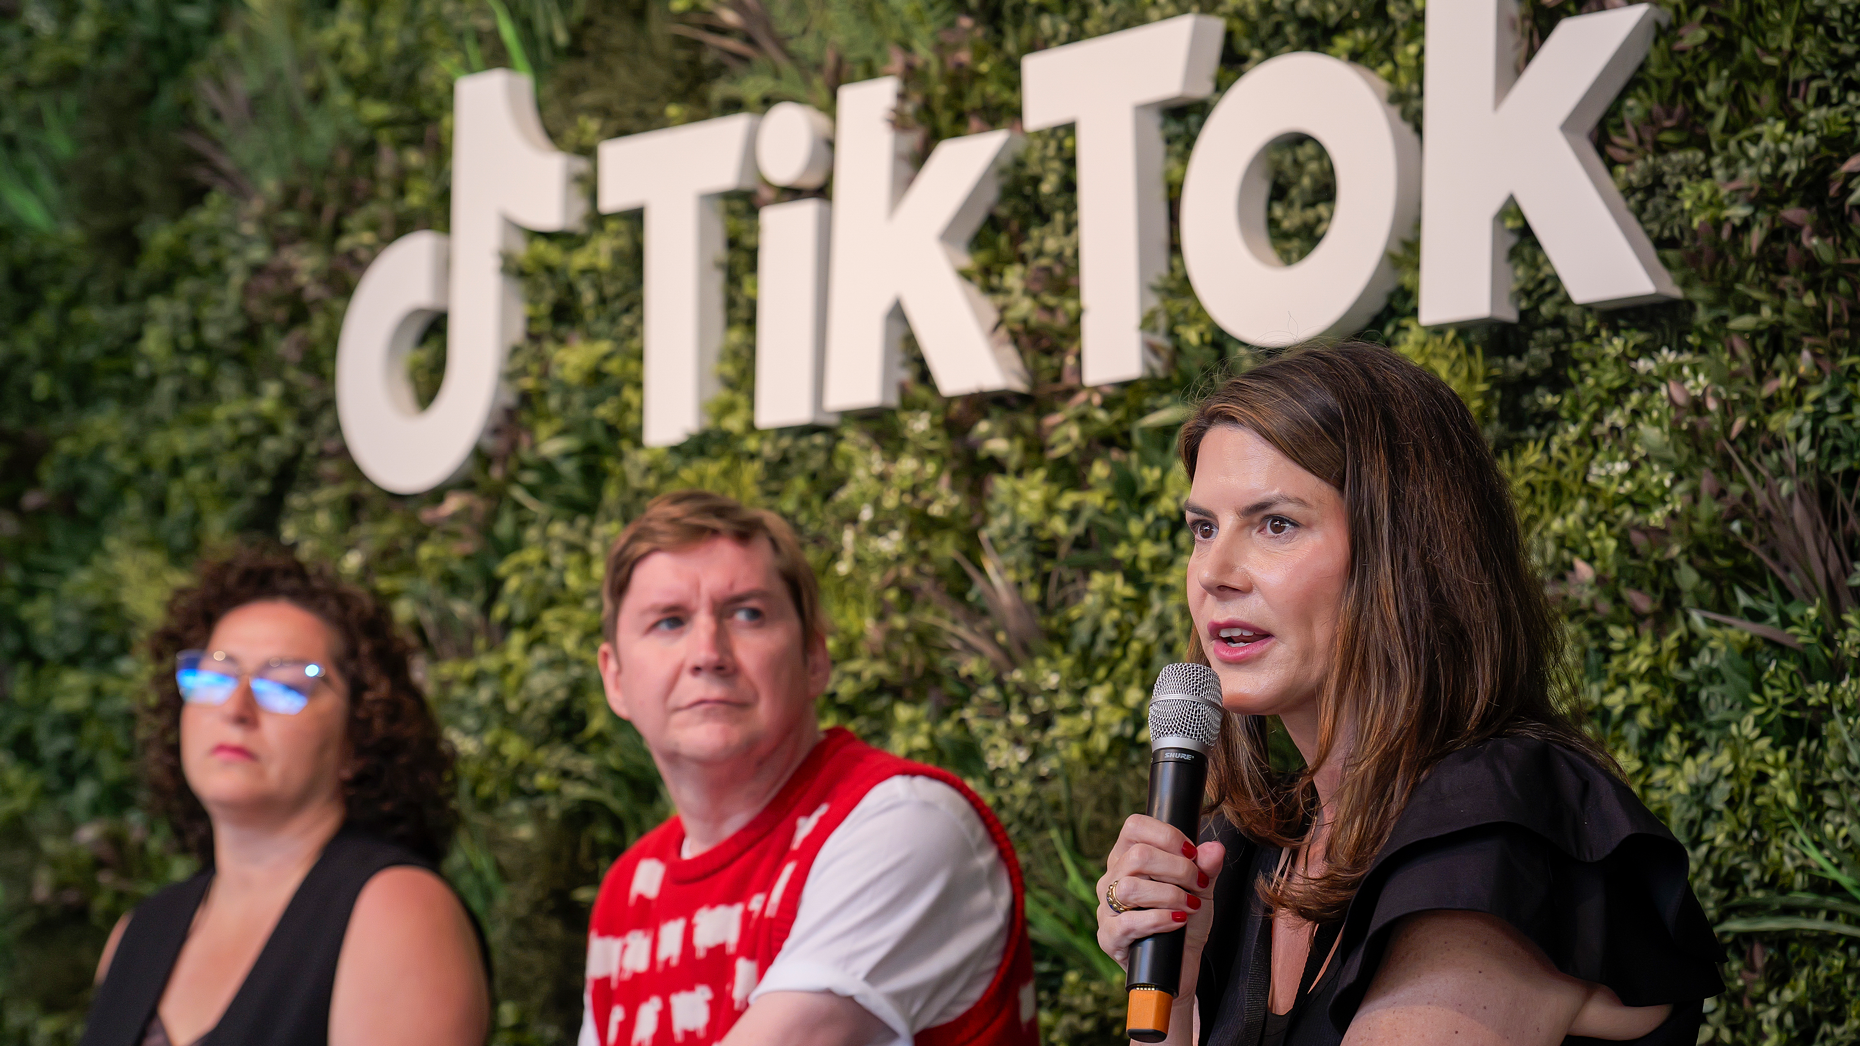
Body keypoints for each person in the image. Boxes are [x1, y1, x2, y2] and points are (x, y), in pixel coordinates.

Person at [1095, 343, 1723, 1046]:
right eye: (1203, 528)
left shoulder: (1493, 827)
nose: (1214, 571)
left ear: (1409, 554)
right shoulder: (1245, 851)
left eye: (1276, 524)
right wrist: (1173, 997)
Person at [578, 490, 1037, 1046]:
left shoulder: (905, 824)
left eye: (747, 613)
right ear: (616, 679)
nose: (708, 652)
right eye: (669, 622)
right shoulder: (629, 890)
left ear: (814, 657)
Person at [81, 548, 491, 1046]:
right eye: (214, 676)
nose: (236, 707)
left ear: (360, 738)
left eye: (284, 685)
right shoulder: (138, 933)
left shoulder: (395, 909)